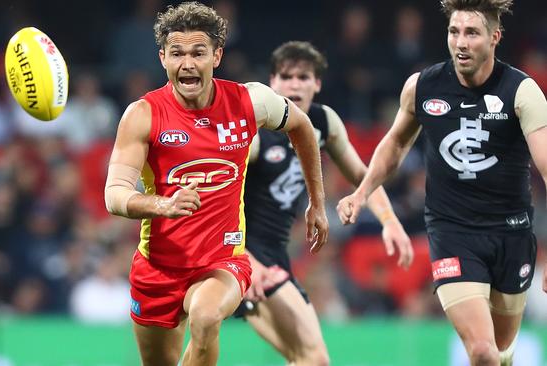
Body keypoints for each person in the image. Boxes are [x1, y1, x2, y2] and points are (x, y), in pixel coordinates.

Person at [103, 3, 329, 366]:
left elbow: (302, 126)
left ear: (217, 55)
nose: (187, 63)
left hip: (223, 262)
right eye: (177, 53)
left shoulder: (250, 101)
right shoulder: (143, 114)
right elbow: (114, 194)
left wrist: (316, 202)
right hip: (157, 268)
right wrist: (162, 204)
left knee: (206, 317)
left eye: (198, 52)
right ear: (162, 58)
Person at [336, 1, 547, 365]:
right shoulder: (423, 86)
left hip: (511, 233)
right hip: (453, 232)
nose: (460, 42)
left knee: (499, 349)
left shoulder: (521, 91)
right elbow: (396, 144)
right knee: (482, 352)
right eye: (454, 32)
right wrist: (362, 191)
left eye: (472, 33)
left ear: (495, 37)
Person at [235, 40, 414, 365]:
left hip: (272, 257)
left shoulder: (322, 122)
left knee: (302, 358)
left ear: (317, 83)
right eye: (286, 76)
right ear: (272, 82)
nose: (294, 84)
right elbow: (217, 199)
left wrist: (391, 222)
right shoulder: (257, 133)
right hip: (241, 255)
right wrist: (247, 262)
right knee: (314, 359)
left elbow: (364, 176)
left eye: (303, 77)